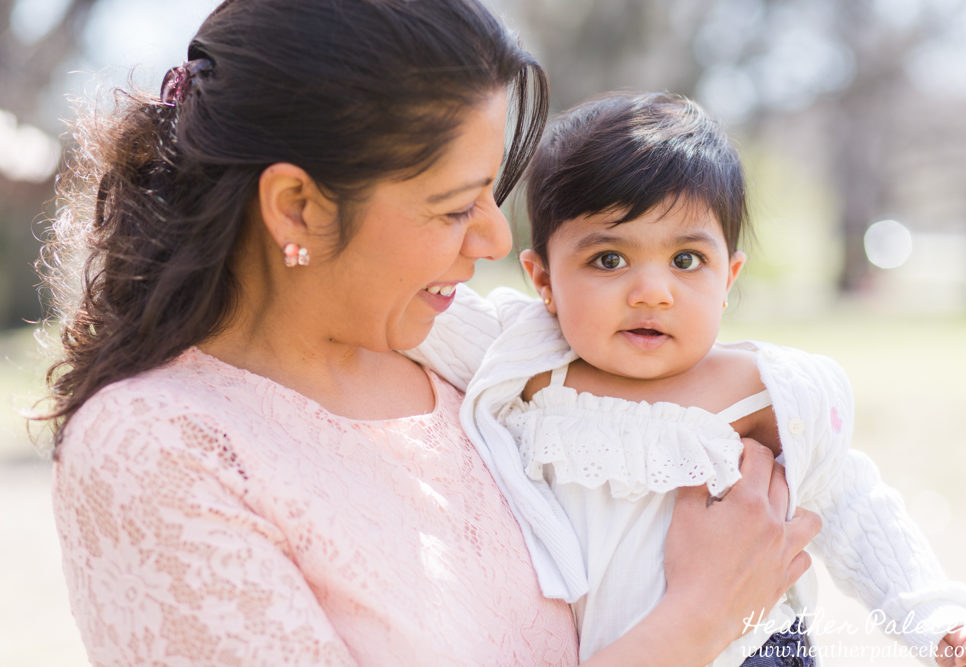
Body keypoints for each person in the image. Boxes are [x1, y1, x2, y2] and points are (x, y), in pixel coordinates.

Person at [39, 1, 821, 665]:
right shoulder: (160, 451)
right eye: (454, 206)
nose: (489, 241)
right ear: (299, 207)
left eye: (492, 196)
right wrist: (695, 621)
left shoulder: (473, 367)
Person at [412, 92, 966, 666]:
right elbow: (404, 302)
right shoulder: (526, 360)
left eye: (686, 260)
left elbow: (853, 505)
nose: (652, 292)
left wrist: (936, 618)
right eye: (608, 259)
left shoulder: (765, 393)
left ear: (728, 276)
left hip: (749, 651)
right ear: (543, 281)